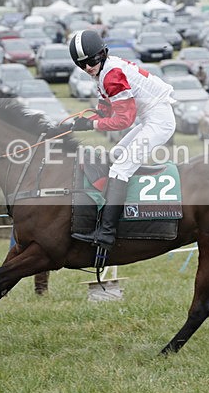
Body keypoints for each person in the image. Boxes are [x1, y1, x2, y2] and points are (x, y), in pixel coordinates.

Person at [62, 30, 175, 268]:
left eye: (91, 61)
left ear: (102, 54)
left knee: (121, 169)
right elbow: (107, 107)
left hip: (158, 120)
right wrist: (87, 120)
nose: (88, 68)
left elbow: (123, 120)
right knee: (115, 158)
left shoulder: (110, 74)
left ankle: (106, 233)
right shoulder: (104, 71)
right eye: (81, 65)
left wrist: (92, 124)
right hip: (150, 117)